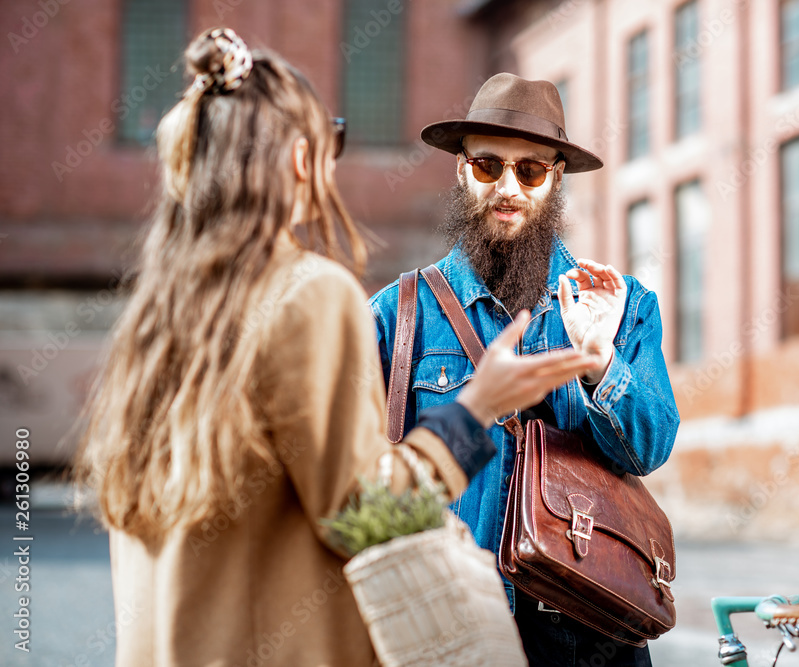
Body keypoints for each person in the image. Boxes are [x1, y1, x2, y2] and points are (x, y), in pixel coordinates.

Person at [74, 30, 600, 667]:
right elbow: (364, 519)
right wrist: (474, 411)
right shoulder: (308, 293)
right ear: (302, 158)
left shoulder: (156, 319)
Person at [368, 73, 681, 666]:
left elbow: (649, 446)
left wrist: (600, 361)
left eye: (530, 171)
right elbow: (364, 488)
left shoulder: (624, 303)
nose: (507, 187)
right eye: (488, 165)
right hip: (453, 621)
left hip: (589, 621)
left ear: (555, 179)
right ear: (461, 169)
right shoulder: (395, 316)